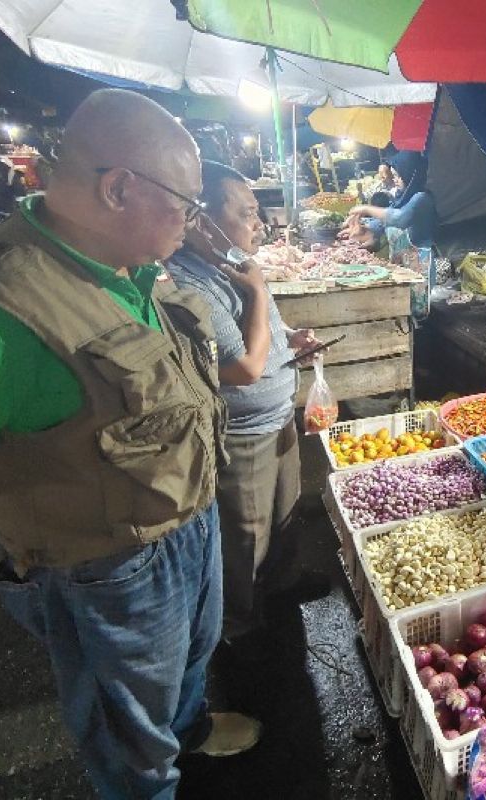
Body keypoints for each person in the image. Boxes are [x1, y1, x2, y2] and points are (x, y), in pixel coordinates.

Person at [0, 89, 261, 799]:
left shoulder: (124, 261)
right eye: (185, 205)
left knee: (188, 661)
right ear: (119, 187)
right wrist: (7, 487)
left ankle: (187, 730)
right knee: (123, 721)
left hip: (187, 520)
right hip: (106, 561)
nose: (192, 222)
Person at [165, 160, 326, 658]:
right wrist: (256, 289)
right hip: (243, 432)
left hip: (278, 419)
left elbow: (261, 332)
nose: (260, 223)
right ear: (199, 219)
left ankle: (280, 589)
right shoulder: (187, 284)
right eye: (248, 212)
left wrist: (289, 339)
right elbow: (241, 368)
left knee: (285, 515)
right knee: (245, 536)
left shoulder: (228, 263)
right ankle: (239, 623)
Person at [342, 151, 436, 250]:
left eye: (398, 176)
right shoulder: (400, 199)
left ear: (410, 175)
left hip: (426, 259)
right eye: (394, 176)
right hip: (405, 261)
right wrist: (367, 229)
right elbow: (383, 222)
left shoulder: (422, 198)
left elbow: (399, 218)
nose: (395, 180)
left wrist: (366, 209)